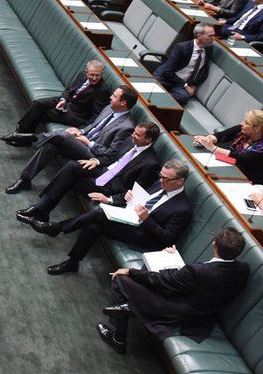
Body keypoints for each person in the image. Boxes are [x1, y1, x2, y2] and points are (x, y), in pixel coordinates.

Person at [100, 227, 249, 354]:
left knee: (121, 279)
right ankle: (130, 308)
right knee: (145, 275)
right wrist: (172, 260)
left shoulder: (199, 271)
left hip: (177, 311)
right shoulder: (244, 270)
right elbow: (200, 282)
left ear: (214, 244)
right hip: (203, 316)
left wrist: (130, 271)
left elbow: (162, 282)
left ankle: (118, 338)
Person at [34, 159, 193, 276]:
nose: (160, 180)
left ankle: (58, 228)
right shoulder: (160, 185)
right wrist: (131, 196)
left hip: (146, 237)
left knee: (99, 213)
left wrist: (146, 219)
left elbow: (166, 238)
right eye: (161, 176)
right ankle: (72, 262)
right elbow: (143, 199)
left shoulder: (182, 208)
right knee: (94, 227)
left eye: (166, 179)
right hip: (133, 219)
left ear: (180, 181)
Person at [16, 122, 161, 224]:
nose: (133, 136)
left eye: (137, 135)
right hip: (103, 170)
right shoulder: (131, 142)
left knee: (69, 178)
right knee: (72, 167)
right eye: (134, 132)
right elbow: (112, 157)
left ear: (148, 140)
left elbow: (135, 192)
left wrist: (110, 199)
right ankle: (41, 209)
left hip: (110, 187)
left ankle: (41, 209)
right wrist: (96, 161)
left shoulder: (151, 164)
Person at [4, 85, 138, 193]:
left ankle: (30, 138)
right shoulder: (109, 108)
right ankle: (25, 179)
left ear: (123, 103)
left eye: (114, 96)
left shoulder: (127, 127)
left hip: (92, 154)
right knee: (51, 145)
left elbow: (111, 154)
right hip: (82, 140)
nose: (110, 97)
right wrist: (79, 131)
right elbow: (93, 125)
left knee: (62, 135)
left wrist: (88, 143)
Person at [0, 60, 109, 144]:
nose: (94, 78)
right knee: (38, 104)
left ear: (101, 73)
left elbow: (97, 115)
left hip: (77, 115)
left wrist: (82, 129)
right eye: (91, 75)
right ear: (86, 72)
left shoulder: (102, 90)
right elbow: (69, 89)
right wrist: (63, 100)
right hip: (67, 102)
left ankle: (21, 137)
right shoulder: (82, 75)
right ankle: (21, 132)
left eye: (97, 75)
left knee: (44, 113)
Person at [193, 109, 263, 185]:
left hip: (245, 177)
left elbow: (240, 158)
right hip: (227, 166)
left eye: (246, 123)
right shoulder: (241, 129)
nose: (242, 123)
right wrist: (206, 140)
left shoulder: (260, 148)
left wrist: (213, 148)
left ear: (257, 129)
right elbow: (220, 135)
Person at [153, 23, 215, 104]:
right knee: (151, 88)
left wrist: (194, 85)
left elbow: (204, 70)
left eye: (214, 35)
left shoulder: (209, 48)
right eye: (210, 36)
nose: (213, 38)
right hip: (166, 77)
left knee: (183, 97)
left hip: (181, 85)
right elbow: (167, 71)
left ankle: (161, 99)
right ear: (199, 36)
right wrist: (185, 86)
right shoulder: (182, 47)